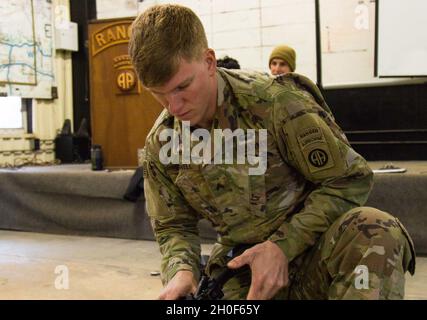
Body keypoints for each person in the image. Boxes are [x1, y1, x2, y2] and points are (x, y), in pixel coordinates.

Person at [129, 4, 415, 300]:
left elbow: (349, 179)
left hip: (315, 254)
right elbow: (173, 225)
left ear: (209, 62)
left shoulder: (276, 103)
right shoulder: (163, 143)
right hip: (244, 275)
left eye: (182, 87)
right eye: (158, 94)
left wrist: (281, 246)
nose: (173, 107)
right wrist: (182, 271)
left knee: (376, 230)